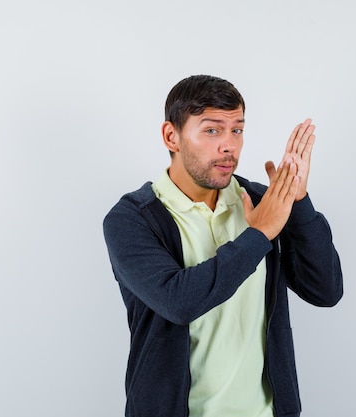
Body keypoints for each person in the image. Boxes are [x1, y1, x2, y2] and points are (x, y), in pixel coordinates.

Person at [103, 74, 343, 417]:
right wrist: (258, 235)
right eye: (212, 130)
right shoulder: (132, 219)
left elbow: (326, 290)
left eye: (237, 130)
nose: (229, 145)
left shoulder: (262, 201)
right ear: (172, 136)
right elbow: (179, 302)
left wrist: (298, 200)